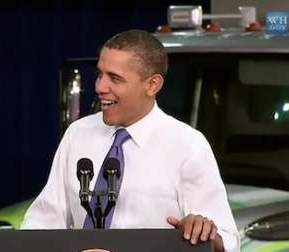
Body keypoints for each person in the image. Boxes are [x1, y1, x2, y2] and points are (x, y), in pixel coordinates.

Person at [21, 29, 239, 252]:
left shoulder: (187, 146)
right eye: (99, 74)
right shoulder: (78, 134)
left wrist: (202, 231)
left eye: (114, 78)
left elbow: (227, 240)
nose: (100, 87)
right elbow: (45, 219)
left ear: (152, 85)